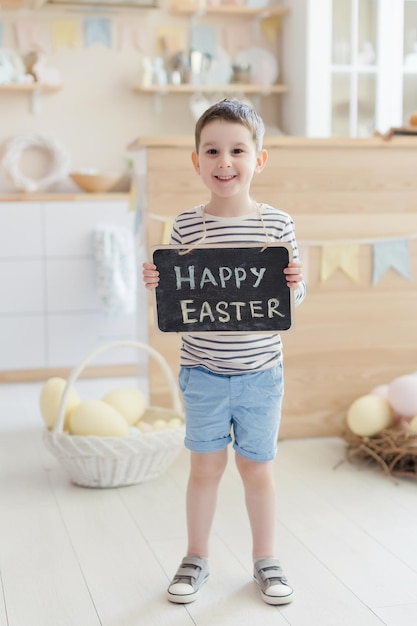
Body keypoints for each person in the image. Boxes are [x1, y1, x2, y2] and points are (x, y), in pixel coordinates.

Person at [142, 98, 306, 606]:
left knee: (257, 468)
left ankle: (265, 558)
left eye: (237, 150)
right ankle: (196, 556)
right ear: (196, 161)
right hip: (204, 371)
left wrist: (296, 284)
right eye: (211, 150)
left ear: (259, 159)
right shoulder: (186, 227)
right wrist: (158, 281)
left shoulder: (276, 225)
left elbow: (288, 301)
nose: (224, 161)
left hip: (261, 372)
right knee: (205, 467)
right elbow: (183, 296)